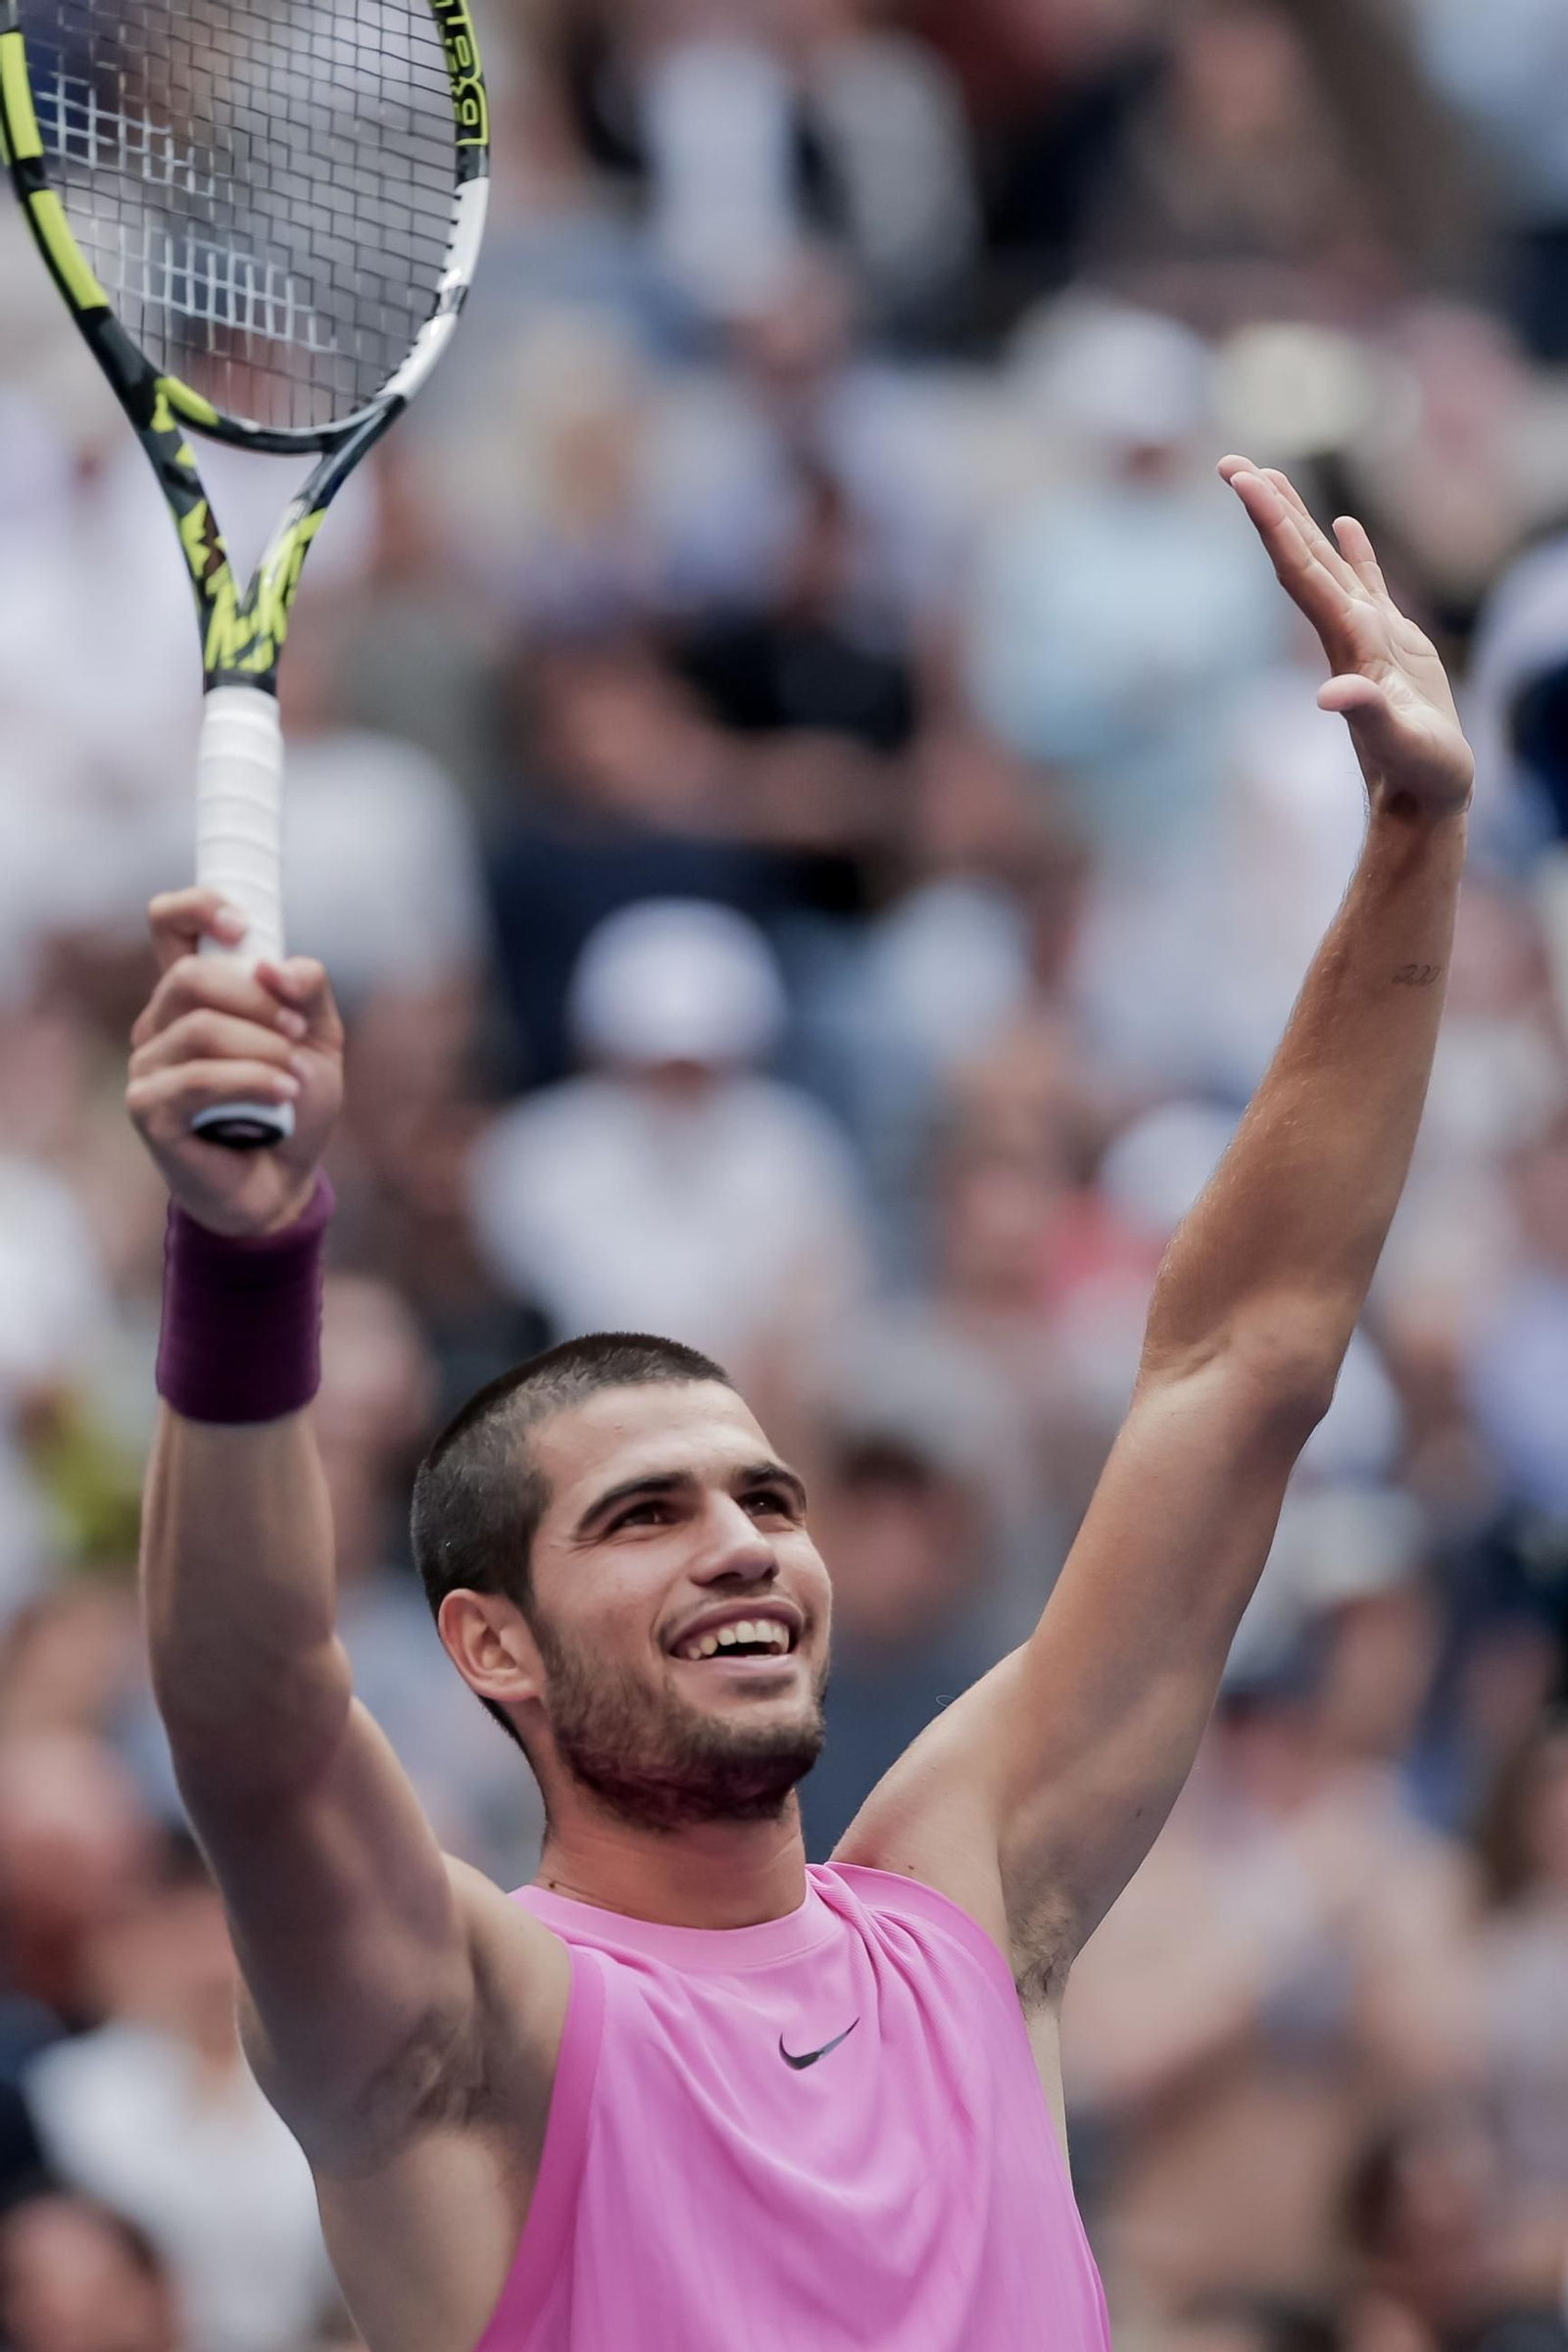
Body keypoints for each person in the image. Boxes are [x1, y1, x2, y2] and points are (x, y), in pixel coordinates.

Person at [123, 459, 1474, 2352]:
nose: (745, 1541)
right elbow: (256, 1723)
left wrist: (1414, 836)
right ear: (485, 1645)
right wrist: (246, 1262)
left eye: (765, 1496)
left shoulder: (966, 1906)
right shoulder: (467, 2026)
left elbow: (1242, 1364)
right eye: (644, 1513)